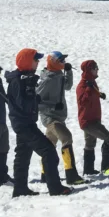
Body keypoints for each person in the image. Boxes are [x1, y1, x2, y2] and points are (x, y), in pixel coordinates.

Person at [6, 48, 71, 197]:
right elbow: (23, 104)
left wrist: (34, 94)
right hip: (24, 124)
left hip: (25, 123)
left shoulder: (24, 78)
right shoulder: (18, 81)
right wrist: (33, 95)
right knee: (49, 152)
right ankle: (55, 188)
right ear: (28, 61)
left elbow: (28, 102)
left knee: (23, 155)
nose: (38, 62)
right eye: (35, 60)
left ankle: (20, 188)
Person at [36, 51, 86, 185]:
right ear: (53, 62)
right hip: (50, 118)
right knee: (66, 137)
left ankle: (45, 174)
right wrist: (53, 106)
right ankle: (71, 175)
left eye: (64, 60)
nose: (64, 62)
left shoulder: (58, 75)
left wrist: (68, 72)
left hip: (58, 116)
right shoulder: (48, 80)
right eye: (61, 60)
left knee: (50, 145)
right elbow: (36, 101)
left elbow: (68, 86)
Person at [77, 60, 109, 176]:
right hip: (88, 121)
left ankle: (88, 169)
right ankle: (106, 167)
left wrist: (99, 94)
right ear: (89, 70)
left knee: (90, 144)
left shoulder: (91, 83)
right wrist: (89, 89)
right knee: (108, 138)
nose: (97, 69)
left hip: (94, 118)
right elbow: (83, 102)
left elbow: (91, 94)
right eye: (95, 68)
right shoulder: (83, 85)